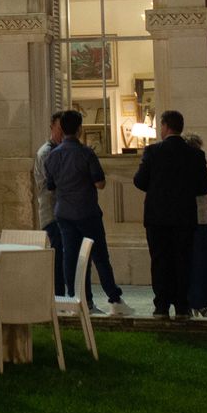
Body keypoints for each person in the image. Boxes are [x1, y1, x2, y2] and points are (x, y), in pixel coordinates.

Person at [44, 109, 133, 316]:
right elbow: (100, 183)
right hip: (86, 211)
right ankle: (114, 299)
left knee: (70, 257)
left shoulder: (52, 156)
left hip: (63, 212)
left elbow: (50, 186)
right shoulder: (86, 153)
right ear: (79, 129)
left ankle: (78, 299)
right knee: (99, 256)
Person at [132, 109, 207, 318]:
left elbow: (139, 181)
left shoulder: (152, 151)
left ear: (165, 126)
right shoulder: (195, 154)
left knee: (160, 261)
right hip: (184, 216)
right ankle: (182, 306)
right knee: (183, 261)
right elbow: (204, 186)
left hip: (157, 216)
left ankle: (161, 305)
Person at [184, 131, 207, 316]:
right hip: (196, 218)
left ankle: (197, 302)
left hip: (198, 217)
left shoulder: (199, 169)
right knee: (198, 263)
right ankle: (196, 301)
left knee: (197, 263)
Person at [34, 112, 67, 297]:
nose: (62, 133)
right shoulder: (47, 152)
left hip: (60, 212)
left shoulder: (60, 150)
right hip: (52, 213)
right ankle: (58, 297)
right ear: (52, 128)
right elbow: (52, 183)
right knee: (58, 255)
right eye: (59, 129)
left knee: (63, 255)